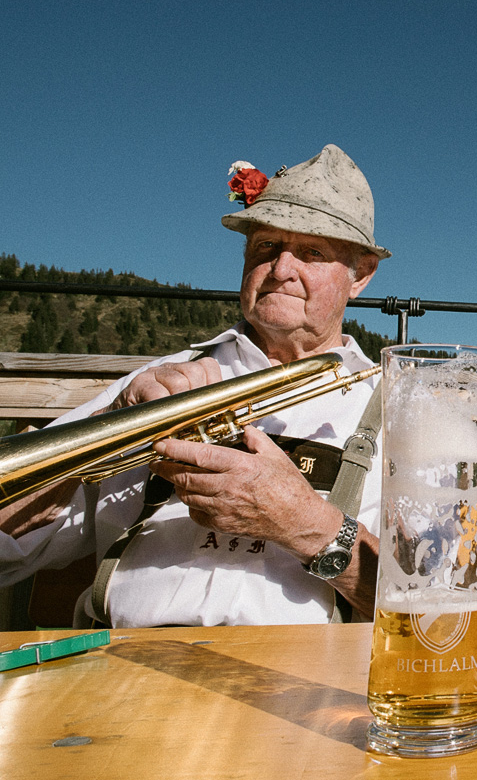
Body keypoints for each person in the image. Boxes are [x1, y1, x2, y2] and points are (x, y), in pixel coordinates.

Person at [0, 144, 391, 627]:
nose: (281, 269)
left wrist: (307, 524)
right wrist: (108, 427)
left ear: (362, 275)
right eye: (266, 246)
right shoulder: (157, 381)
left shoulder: (397, 409)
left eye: (312, 252)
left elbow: (439, 609)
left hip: (304, 686)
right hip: (125, 670)